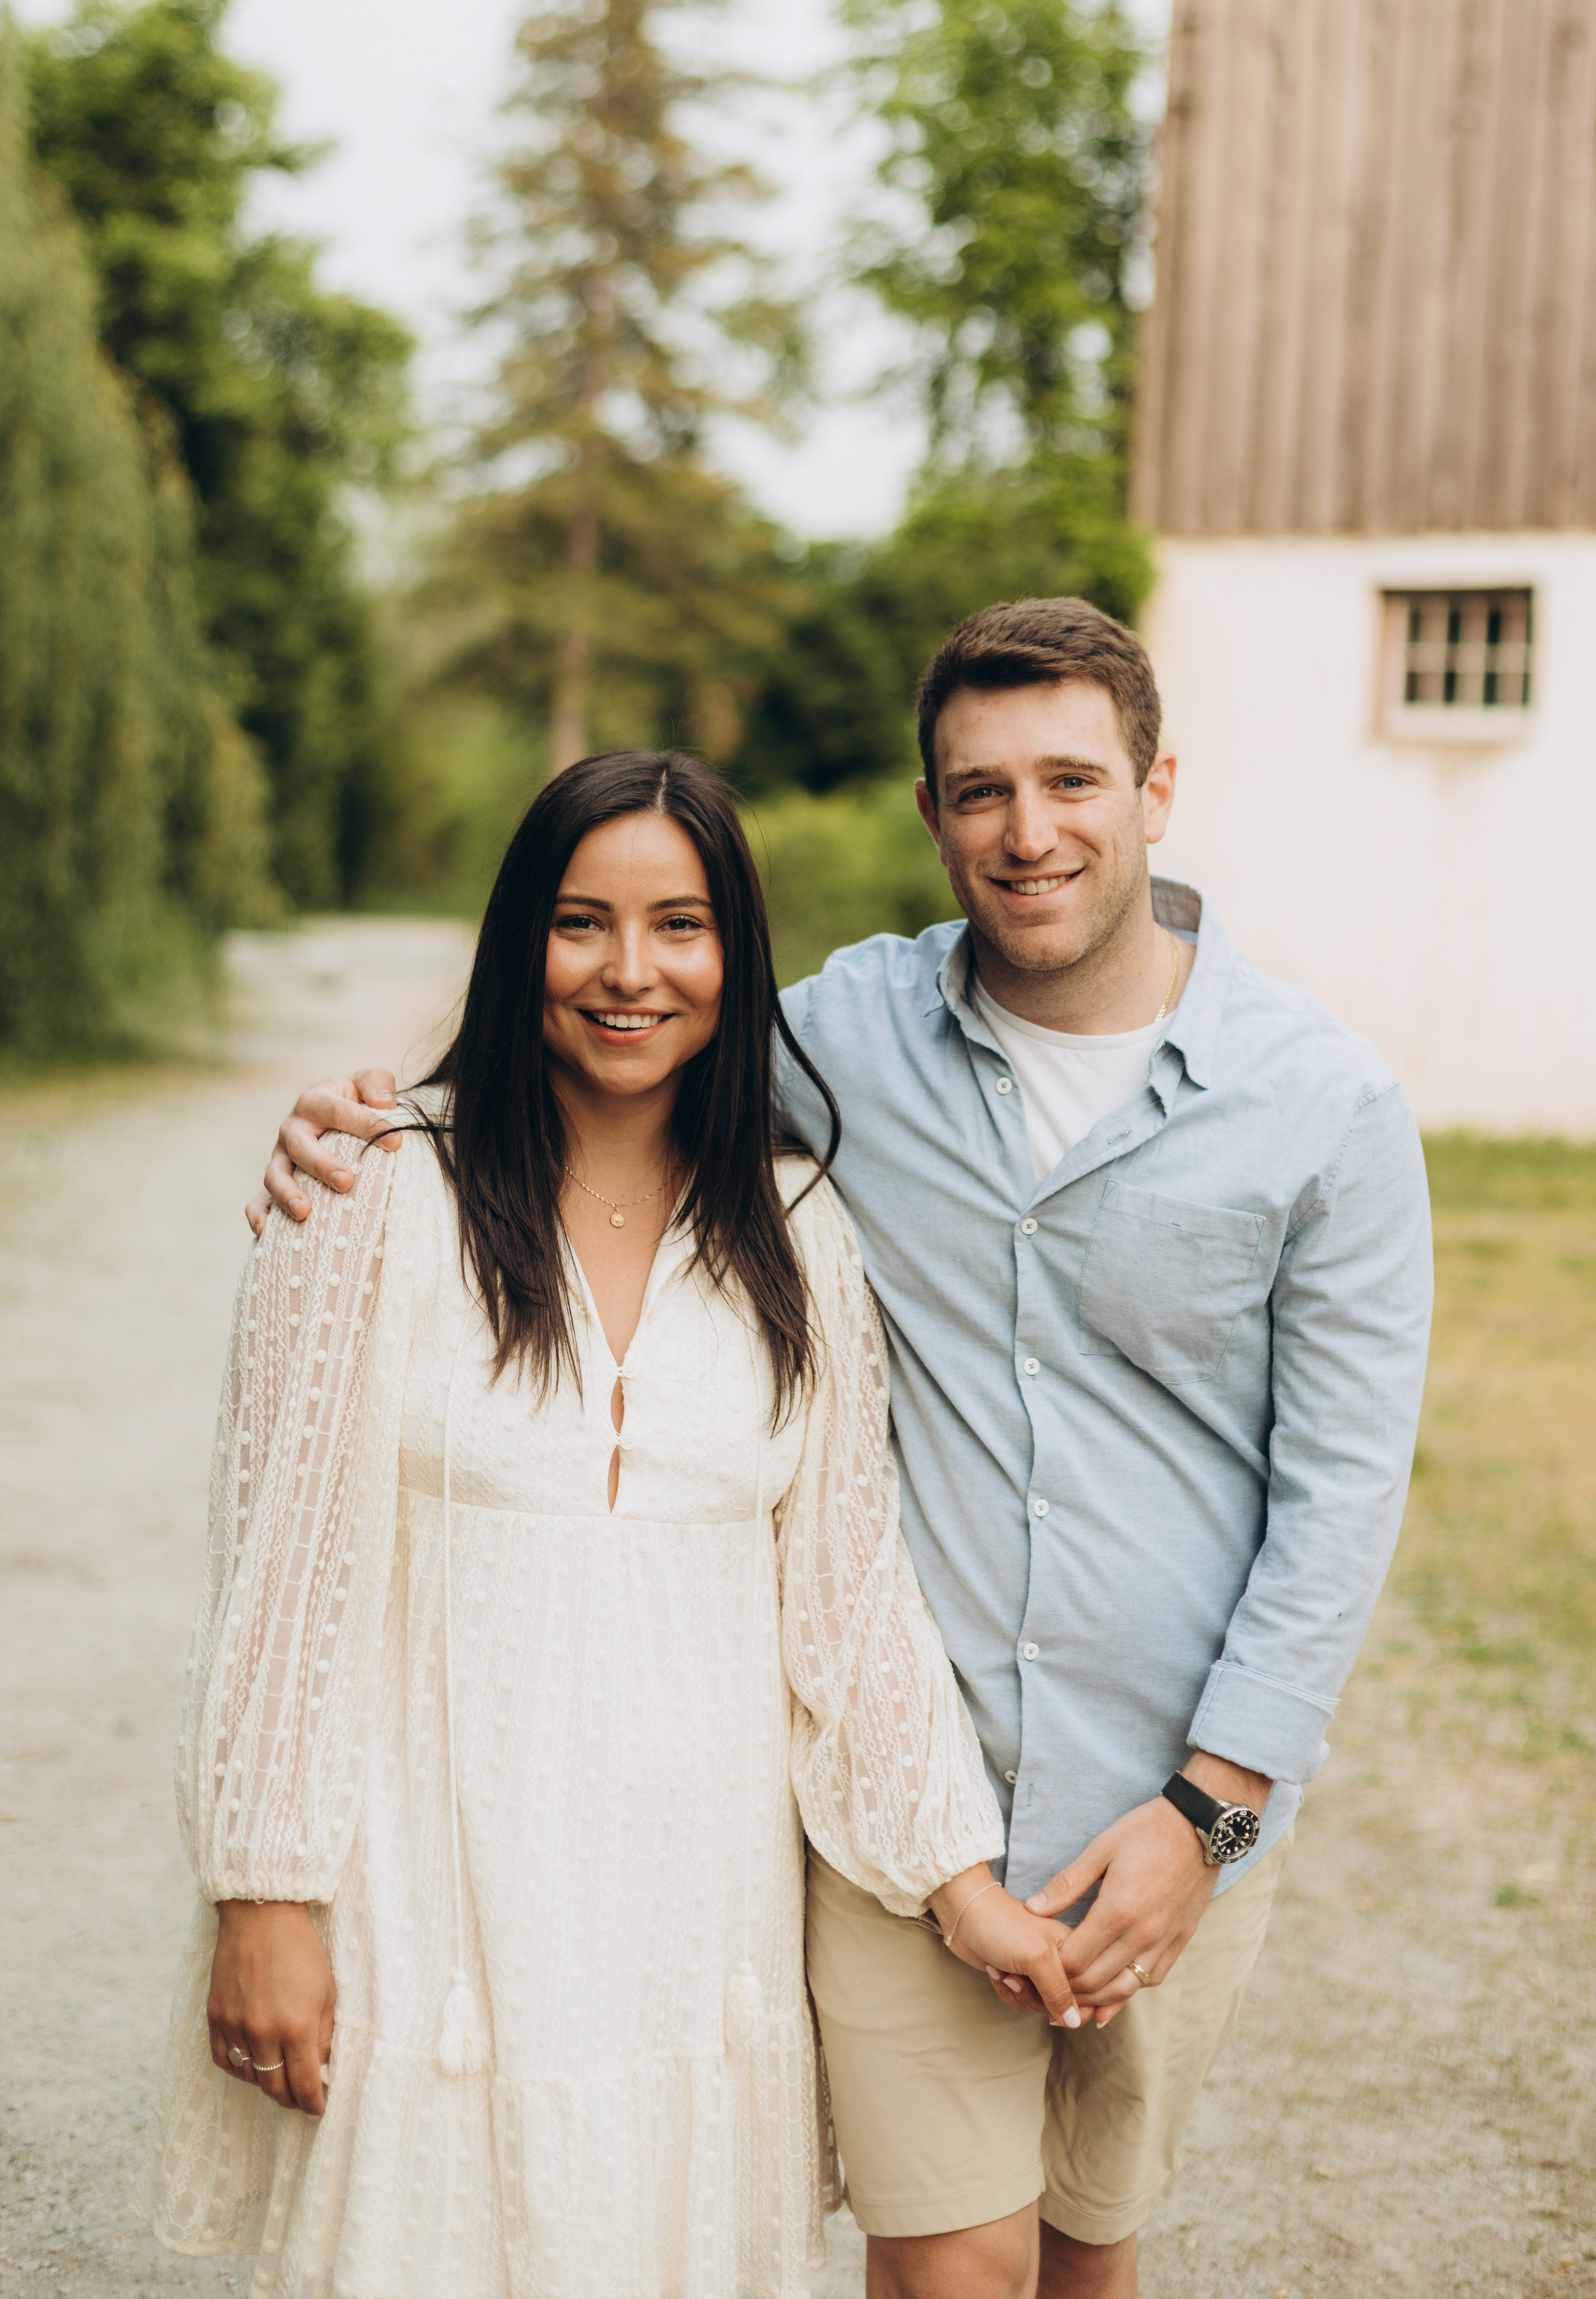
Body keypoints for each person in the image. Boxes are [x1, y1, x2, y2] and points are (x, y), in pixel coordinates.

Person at [254, 599, 1435, 2299]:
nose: (1027, 833)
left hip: (1161, 1798)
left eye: (1070, 782)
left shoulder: (1326, 1107)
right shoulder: (836, 1041)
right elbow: (631, 1032)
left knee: (1088, 2256)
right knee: (956, 2263)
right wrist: (364, 1128)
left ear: (1156, 787)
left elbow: (1341, 1497)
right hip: (901, 1791)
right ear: (928, 812)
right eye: (978, 791)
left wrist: (1211, 1812)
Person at [147, 749, 1086, 2299]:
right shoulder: (378, 1191)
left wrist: (955, 1878)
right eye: (580, 924)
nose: (629, 972)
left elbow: (846, 1602)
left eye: (682, 926)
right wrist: (262, 1890)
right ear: (519, 941)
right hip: (429, 1888)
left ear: (739, 956)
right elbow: (276, 1567)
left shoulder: (798, 1229)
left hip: (687, 1912)